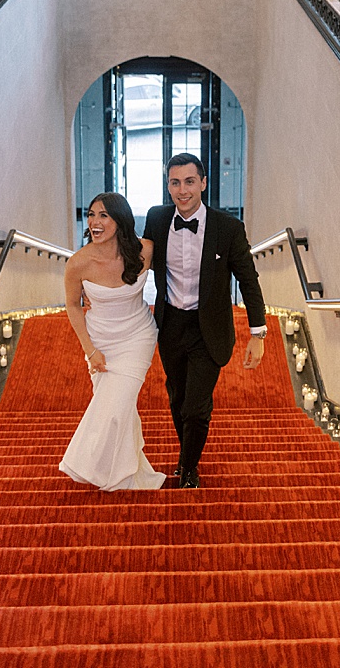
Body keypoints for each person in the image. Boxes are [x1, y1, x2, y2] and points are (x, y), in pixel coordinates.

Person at [143, 155, 267, 491]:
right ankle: (187, 455)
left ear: (203, 183)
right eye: (174, 182)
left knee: (196, 406)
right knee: (177, 398)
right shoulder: (156, 218)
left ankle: (188, 467)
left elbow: (248, 279)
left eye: (189, 182)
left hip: (208, 327)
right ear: (168, 185)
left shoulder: (227, 228)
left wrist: (258, 333)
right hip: (170, 325)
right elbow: (139, 263)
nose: (182, 190)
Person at [58, 193, 167, 492]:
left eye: (104, 215)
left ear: (120, 220)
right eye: (92, 214)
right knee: (122, 408)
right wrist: (90, 350)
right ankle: (127, 474)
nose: (95, 221)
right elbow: (72, 305)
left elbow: (180, 273)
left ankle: (89, 464)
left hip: (138, 337)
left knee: (117, 405)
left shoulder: (145, 250)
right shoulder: (78, 263)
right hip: (100, 342)